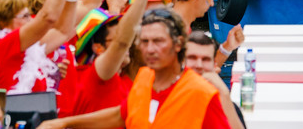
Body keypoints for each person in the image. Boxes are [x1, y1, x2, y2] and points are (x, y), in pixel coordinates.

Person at [39, 8, 228, 129]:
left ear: (178, 44)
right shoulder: (144, 77)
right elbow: (121, 115)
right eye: (144, 42)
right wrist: (63, 122)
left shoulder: (202, 94)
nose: (150, 49)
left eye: (158, 41)